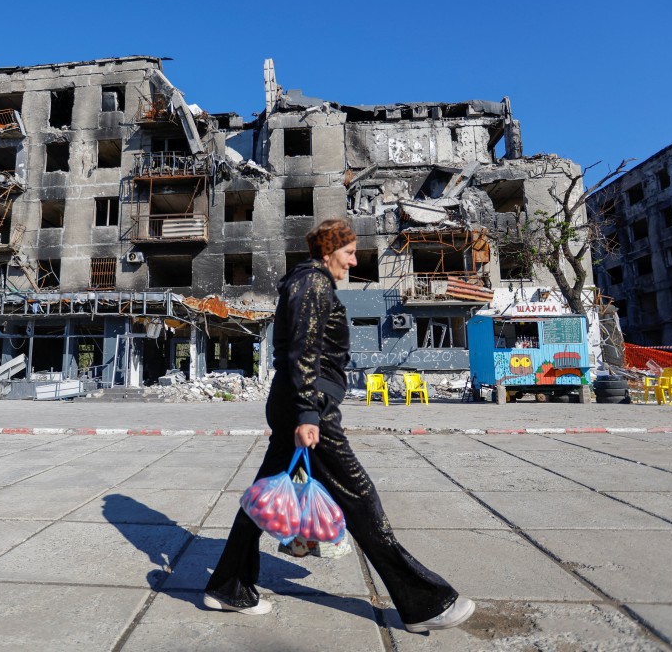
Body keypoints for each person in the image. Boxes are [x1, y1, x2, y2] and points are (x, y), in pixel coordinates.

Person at [203, 218, 475, 633]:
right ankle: (424, 604)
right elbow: (302, 349)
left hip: (299, 402)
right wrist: (309, 414)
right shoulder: (311, 283)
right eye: (348, 253)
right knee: (361, 498)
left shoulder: (311, 283)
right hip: (308, 406)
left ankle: (229, 586)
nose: (352, 262)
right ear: (329, 251)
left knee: (266, 498)